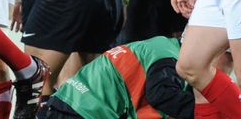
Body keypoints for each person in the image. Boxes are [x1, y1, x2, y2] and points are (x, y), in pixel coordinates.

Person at [47, 36, 194, 119]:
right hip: (84, 112)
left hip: (70, 103)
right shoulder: (168, 58)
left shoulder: (162, 46)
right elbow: (162, 96)